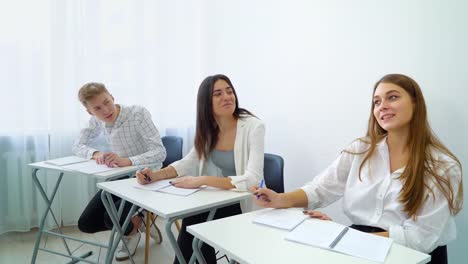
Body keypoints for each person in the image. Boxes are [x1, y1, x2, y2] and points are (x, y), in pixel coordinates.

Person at [252, 74, 463, 264]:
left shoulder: (442, 167)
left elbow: (419, 240)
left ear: (416, 104)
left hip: (413, 256)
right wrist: (280, 199)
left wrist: (341, 234)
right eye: (377, 102)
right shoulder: (360, 150)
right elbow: (320, 189)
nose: (382, 106)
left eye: (393, 97)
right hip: (359, 243)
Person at [136, 74, 265, 264]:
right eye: (218, 94)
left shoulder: (254, 126)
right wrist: (155, 175)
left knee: (196, 224)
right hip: (221, 197)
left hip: (246, 200)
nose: (227, 97)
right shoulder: (209, 128)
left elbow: (253, 179)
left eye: (229, 91)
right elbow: (189, 161)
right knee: (194, 224)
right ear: (206, 102)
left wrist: (202, 180)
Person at [72, 82, 166, 261]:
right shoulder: (96, 120)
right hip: (120, 177)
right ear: (90, 112)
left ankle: (131, 231)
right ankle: (136, 225)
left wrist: (128, 161)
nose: (106, 110)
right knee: (86, 224)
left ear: (112, 97)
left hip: (147, 176)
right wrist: (95, 153)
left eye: (107, 102)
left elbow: (160, 152)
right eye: (97, 108)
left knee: (111, 218)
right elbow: (77, 145)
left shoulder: (137, 114)